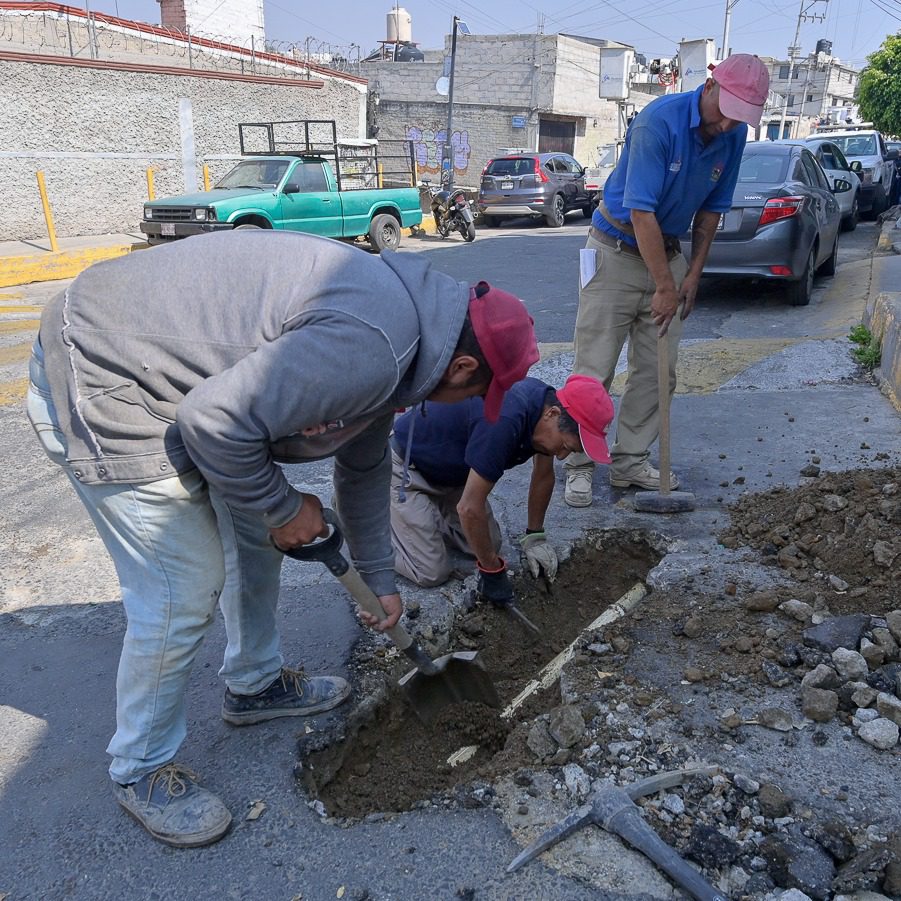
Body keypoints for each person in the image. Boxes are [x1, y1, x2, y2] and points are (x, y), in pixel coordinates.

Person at [26, 230, 539, 848]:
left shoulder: (408, 343)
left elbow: (364, 465)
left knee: (258, 543)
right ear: (461, 366)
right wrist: (281, 504)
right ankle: (140, 768)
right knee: (181, 589)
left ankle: (254, 683)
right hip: (108, 375)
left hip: (190, 389)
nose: (470, 404)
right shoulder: (373, 344)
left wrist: (377, 582)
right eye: (477, 393)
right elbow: (213, 421)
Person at [564, 53, 770, 506]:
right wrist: (664, 286)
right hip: (614, 251)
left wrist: (692, 276)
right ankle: (577, 462)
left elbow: (712, 211)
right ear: (711, 84)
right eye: (727, 112)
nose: (728, 126)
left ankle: (629, 461)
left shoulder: (732, 135)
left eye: (741, 120)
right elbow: (640, 212)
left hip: (669, 255)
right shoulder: (658, 122)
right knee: (593, 368)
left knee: (659, 371)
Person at [389, 374, 614, 599]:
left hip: (452, 477)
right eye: (565, 446)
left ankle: (421, 519)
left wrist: (534, 535)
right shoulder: (504, 420)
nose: (562, 456)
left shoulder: (547, 409)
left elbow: (543, 475)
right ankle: (374, 538)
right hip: (408, 470)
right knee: (430, 571)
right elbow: (469, 508)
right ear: (552, 414)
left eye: (570, 452)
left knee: (490, 545)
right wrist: (492, 572)